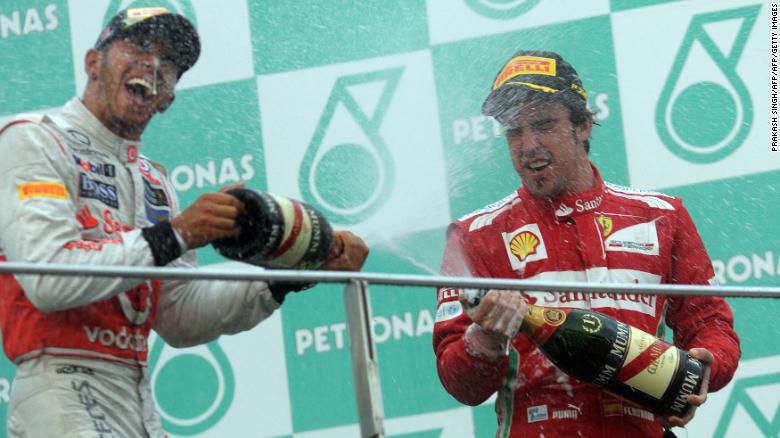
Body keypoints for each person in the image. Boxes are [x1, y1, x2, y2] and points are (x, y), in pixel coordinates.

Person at [0, 7, 368, 438]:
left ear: (169, 97)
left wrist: (284, 275)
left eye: (170, 62)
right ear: (92, 62)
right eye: (138, 46)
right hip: (58, 385)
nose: (153, 63)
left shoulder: (154, 181)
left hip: (136, 395)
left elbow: (179, 318)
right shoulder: (33, 139)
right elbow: (50, 279)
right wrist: (178, 233)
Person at [432, 50, 740, 437]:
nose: (528, 145)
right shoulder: (475, 236)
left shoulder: (662, 216)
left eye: (543, 125)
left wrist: (705, 366)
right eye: (514, 131)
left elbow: (708, 323)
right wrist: (487, 337)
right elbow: (460, 384)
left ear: (583, 125)